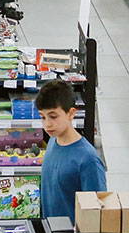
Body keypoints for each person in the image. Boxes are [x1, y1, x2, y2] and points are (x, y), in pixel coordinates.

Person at [37, 78, 106, 221]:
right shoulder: (52, 142)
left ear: (71, 113)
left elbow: (97, 214)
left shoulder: (88, 159)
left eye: (53, 116)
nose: (47, 124)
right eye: (43, 117)